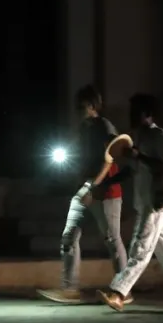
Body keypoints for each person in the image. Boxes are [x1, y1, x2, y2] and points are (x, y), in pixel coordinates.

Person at [94, 94, 163, 311]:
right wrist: (108, 181)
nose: (131, 115)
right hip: (144, 201)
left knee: (140, 247)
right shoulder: (139, 137)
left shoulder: (161, 136)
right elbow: (132, 170)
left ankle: (119, 293)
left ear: (147, 114)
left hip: (155, 201)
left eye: (136, 111)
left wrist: (138, 156)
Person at [37, 85, 130, 305]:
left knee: (111, 239)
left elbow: (109, 160)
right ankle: (69, 288)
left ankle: (123, 290)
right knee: (69, 236)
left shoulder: (105, 126)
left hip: (106, 191)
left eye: (82, 106)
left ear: (91, 106)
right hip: (86, 186)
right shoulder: (83, 127)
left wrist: (93, 187)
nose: (78, 110)